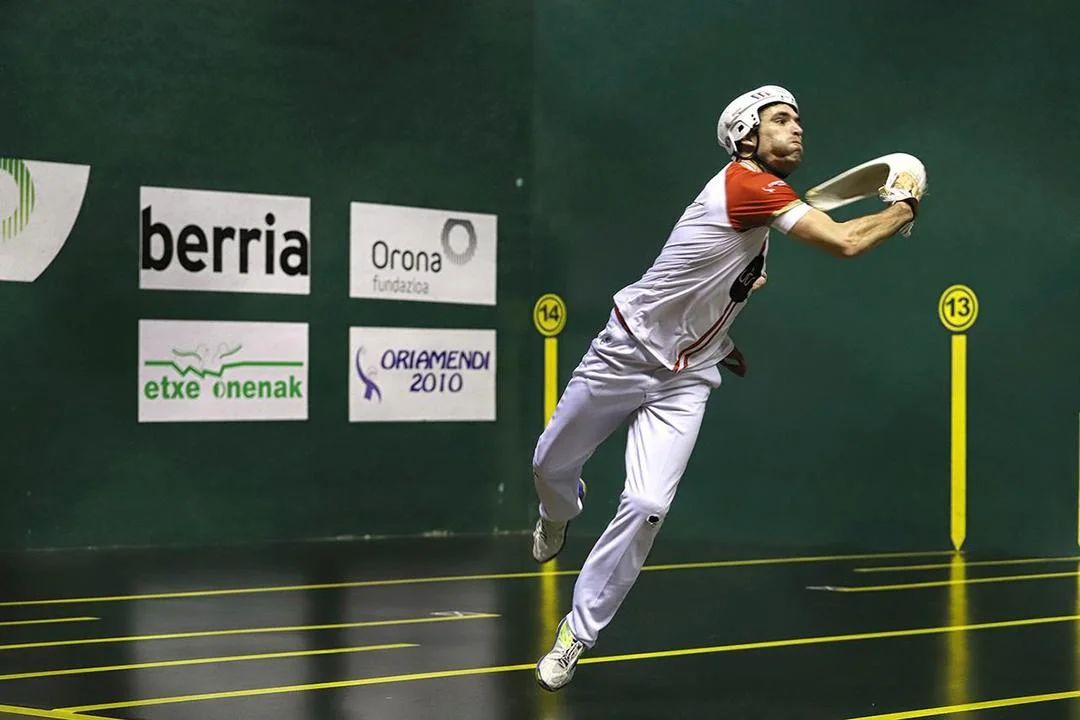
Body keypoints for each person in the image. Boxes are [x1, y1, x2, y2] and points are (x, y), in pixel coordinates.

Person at [528, 84, 925, 692]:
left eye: (798, 120)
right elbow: (845, 242)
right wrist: (903, 207)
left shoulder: (758, 215)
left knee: (648, 505)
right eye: (781, 120)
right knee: (549, 464)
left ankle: (577, 634)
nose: (797, 129)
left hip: (686, 377)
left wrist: (721, 344)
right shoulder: (747, 187)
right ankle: (558, 511)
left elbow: (718, 289)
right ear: (746, 135)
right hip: (625, 352)